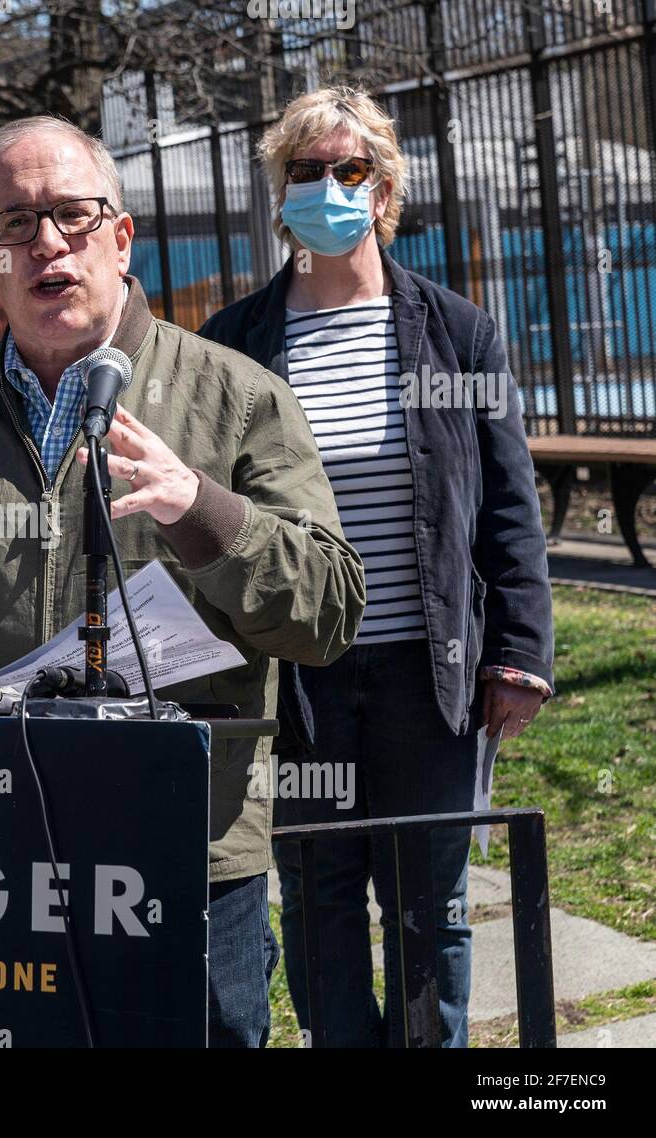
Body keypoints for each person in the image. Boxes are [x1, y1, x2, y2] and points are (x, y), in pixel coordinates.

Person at [0, 115, 366, 1047]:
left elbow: (329, 615)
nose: (46, 244)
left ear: (121, 235)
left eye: (71, 214)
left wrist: (204, 512)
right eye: (13, 225)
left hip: (188, 855)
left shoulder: (239, 398)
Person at [199, 86, 555, 1047]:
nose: (328, 188)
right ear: (280, 194)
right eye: (306, 172)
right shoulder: (234, 345)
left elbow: (508, 510)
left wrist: (520, 653)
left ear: (386, 191)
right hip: (297, 673)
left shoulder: (458, 333)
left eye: (349, 170)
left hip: (427, 673)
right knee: (318, 895)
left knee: (429, 899)